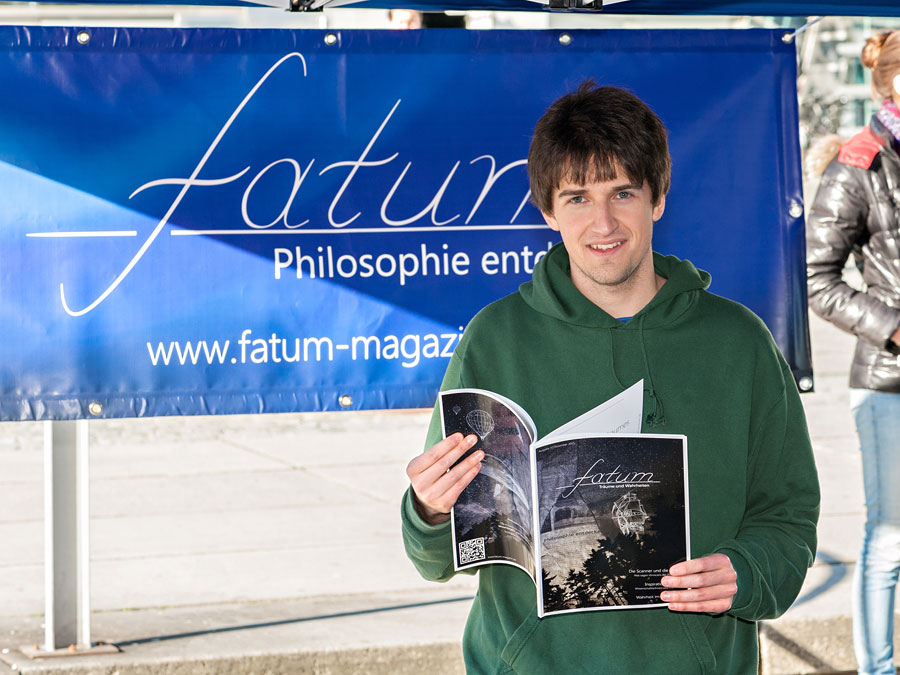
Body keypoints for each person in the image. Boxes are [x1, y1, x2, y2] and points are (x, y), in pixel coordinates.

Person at [403, 81, 820, 673]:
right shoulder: (494, 340)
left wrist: (748, 573)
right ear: (547, 212)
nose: (603, 222)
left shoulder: (739, 342)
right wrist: (429, 509)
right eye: (576, 198)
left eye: (622, 192)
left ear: (657, 198)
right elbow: (436, 554)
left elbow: (788, 517)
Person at [807, 30, 900, 675]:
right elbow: (818, 277)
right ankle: (877, 667)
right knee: (892, 539)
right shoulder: (858, 163)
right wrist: (895, 326)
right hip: (891, 378)